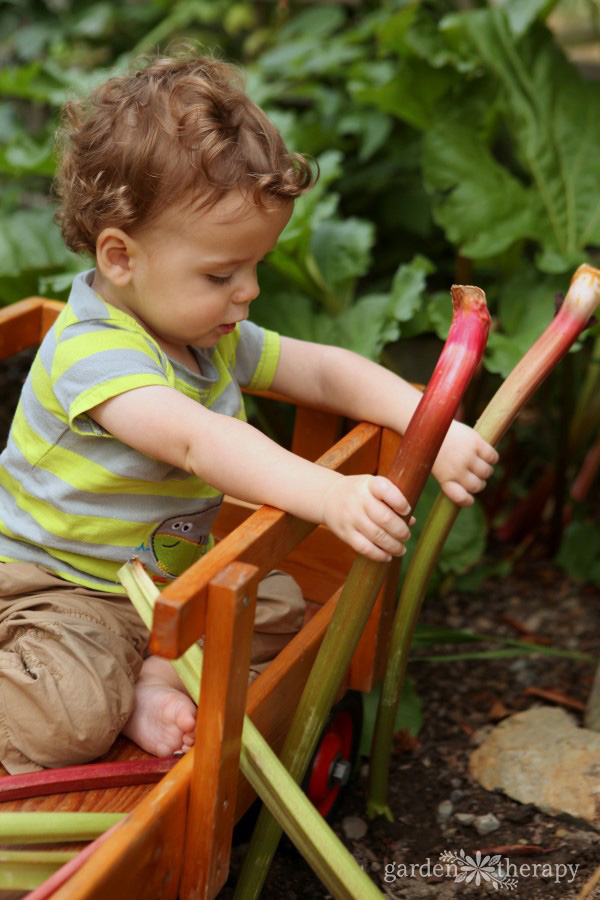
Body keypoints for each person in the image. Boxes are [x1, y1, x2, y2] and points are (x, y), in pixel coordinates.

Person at [0, 51, 498, 774]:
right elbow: (200, 442)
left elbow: (322, 367)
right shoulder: (93, 356)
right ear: (119, 257)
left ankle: (153, 680)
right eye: (221, 273)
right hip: (61, 588)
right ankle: (98, 686)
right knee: (68, 720)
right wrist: (329, 492)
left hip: (159, 586)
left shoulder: (204, 331)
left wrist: (430, 422)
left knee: (275, 605)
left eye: (256, 266)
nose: (249, 292)